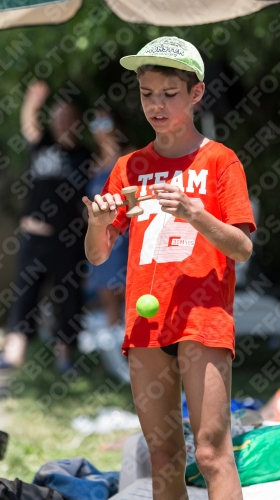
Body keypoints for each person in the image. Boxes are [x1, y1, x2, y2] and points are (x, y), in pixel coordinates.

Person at [83, 36, 256, 500]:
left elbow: (242, 248)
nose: (155, 106)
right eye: (146, 94)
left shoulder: (220, 161)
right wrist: (97, 224)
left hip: (203, 319)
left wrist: (197, 214)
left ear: (196, 93)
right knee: (162, 457)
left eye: (168, 94)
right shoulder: (130, 166)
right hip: (145, 323)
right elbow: (98, 255)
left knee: (212, 454)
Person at [1, 80, 91, 372]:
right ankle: (12, 358)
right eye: (58, 116)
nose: (63, 121)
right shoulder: (42, 146)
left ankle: (65, 360)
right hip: (36, 237)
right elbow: (28, 124)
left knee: (68, 298)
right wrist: (33, 101)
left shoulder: (84, 156)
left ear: (77, 122)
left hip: (69, 239)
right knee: (26, 296)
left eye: (68, 117)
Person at [85, 109, 130, 327]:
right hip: (101, 238)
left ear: (117, 124)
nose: (100, 127)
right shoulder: (92, 165)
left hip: (126, 235)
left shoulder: (131, 156)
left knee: (132, 299)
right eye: (95, 122)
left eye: (105, 120)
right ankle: (117, 354)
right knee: (107, 299)